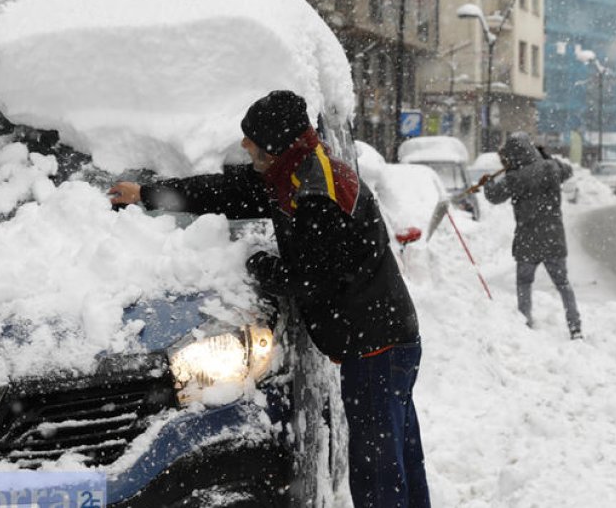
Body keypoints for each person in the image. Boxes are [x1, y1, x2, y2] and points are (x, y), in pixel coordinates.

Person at [109, 90, 430, 508]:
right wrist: (147, 193)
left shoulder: (317, 193)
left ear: (276, 145)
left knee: (377, 475)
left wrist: (260, 265)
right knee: (400, 459)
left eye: (252, 139)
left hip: (376, 348)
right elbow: (224, 191)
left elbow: (311, 278)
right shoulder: (293, 175)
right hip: (383, 339)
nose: (244, 145)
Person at [481, 132, 583, 340]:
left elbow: (494, 196)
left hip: (528, 239)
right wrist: (546, 157)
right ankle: (575, 327)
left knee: (524, 283)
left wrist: (488, 183)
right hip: (553, 237)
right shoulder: (551, 168)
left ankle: (525, 322)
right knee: (563, 284)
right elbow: (568, 170)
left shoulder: (514, 178)